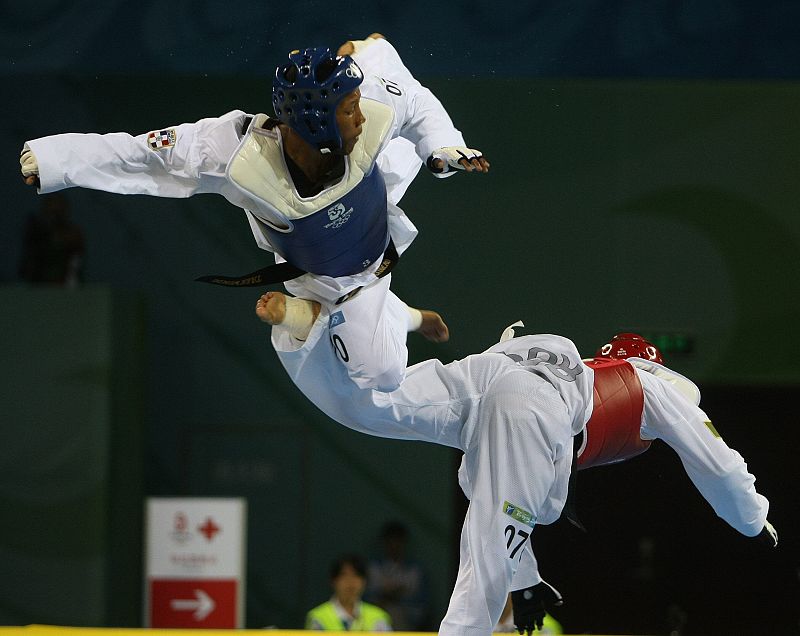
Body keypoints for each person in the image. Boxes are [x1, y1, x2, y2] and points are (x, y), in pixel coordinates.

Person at [257, 295, 776, 635]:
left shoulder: (579, 376)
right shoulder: (651, 385)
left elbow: (507, 499)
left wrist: (524, 579)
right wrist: (753, 518)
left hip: (485, 376)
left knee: (369, 406)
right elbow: (719, 464)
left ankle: (309, 329)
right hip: (529, 403)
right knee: (486, 558)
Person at [19, 33, 487, 392]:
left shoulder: (372, 112)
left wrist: (443, 148)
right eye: (349, 110)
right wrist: (56, 160)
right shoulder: (233, 154)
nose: (361, 115)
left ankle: (370, 53)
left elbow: (415, 100)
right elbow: (140, 156)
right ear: (315, 120)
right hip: (323, 273)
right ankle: (361, 315)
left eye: (356, 103)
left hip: (373, 193)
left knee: (385, 74)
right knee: (381, 375)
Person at [365, 520, 429, 630]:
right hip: (376, 625)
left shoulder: (414, 571)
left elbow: (423, 605)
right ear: (384, 542)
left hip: (407, 625)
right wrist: (386, 596)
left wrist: (399, 597)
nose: (394, 545)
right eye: (391, 541)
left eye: (398, 541)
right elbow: (366, 600)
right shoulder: (374, 568)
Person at [306, 554, 392, 631]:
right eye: (344, 575)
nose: (350, 582)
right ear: (333, 581)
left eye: (356, 575)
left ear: (364, 581)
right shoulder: (318, 617)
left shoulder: (378, 617)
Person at [18, 192, 85, 286]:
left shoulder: (73, 233)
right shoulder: (36, 233)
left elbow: (77, 262)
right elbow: (27, 264)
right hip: (38, 285)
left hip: (64, 286)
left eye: (58, 212)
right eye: (51, 211)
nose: (54, 216)